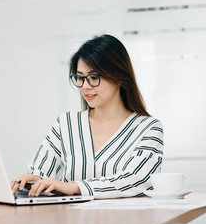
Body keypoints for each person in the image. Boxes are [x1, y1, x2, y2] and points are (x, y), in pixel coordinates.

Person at [11, 34, 164, 199]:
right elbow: (40, 171)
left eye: (93, 77)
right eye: (80, 78)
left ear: (119, 77)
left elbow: (137, 179)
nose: (84, 86)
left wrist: (74, 187)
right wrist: (34, 180)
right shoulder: (66, 124)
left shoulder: (148, 128)